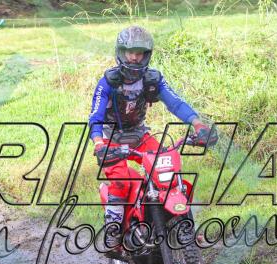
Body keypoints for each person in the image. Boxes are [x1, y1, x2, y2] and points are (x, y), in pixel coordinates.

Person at [88, 25, 215, 248]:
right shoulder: (108, 82)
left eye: (139, 53)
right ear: (121, 52)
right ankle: (113, 230)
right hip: (110, 138)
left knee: (168, 172)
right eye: (130, 52)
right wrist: (99, 143)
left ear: (147, 55)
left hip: (139, 134)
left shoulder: (153, 79)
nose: (134, 58)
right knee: (121, 181)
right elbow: (95, 116)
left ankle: (185, 227)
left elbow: (175, 103)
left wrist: (198, 124)